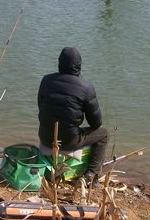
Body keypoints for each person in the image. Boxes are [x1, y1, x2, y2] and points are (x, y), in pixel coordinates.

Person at [37, 47, 108, 185]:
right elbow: (96, 123)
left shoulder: (46, 80)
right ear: (79, 66)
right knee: (104, 134)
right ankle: (91, 175)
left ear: (59, 63)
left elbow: (41, 107)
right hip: (69, 141)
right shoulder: (86, 87)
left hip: (45, 137)